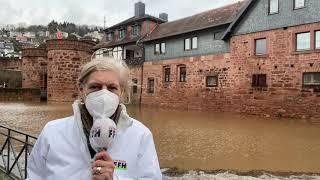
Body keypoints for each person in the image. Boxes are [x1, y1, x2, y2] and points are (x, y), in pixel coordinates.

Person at [27, 57, 162, 180]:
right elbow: (34, 176)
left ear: (121, 92)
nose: (104, 94)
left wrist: (114, 178)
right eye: (95, 87)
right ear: (81, 89)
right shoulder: (53, 132)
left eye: (112, 87)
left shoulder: (140, 135)